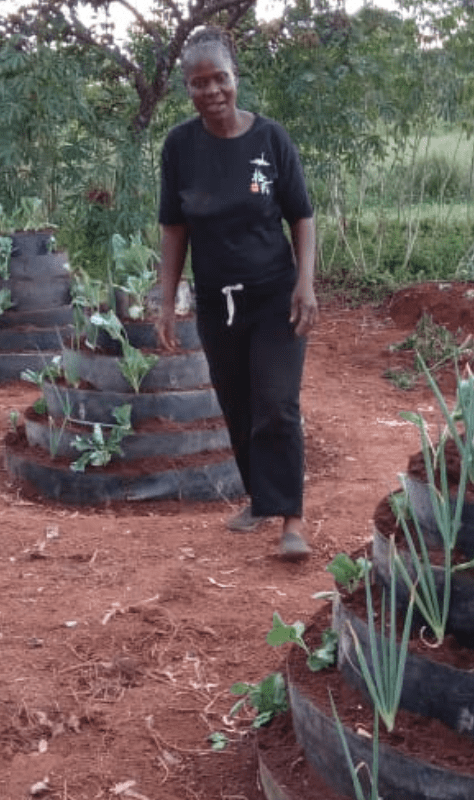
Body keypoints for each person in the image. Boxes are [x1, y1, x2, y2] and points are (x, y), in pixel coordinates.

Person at [156, 26, 318, 560]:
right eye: (198, 82)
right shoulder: (180, 146)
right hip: (214, 300)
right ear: (188, 88)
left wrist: (305, 283)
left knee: (277, 405)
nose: (211, 90)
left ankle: (290, 519)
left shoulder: (270, 140)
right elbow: (174, 228)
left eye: (219, 78)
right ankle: (260, 500)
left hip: (275, 295)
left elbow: (302, 215)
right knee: (238, 404)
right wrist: (165, 300)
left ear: (235, 77)